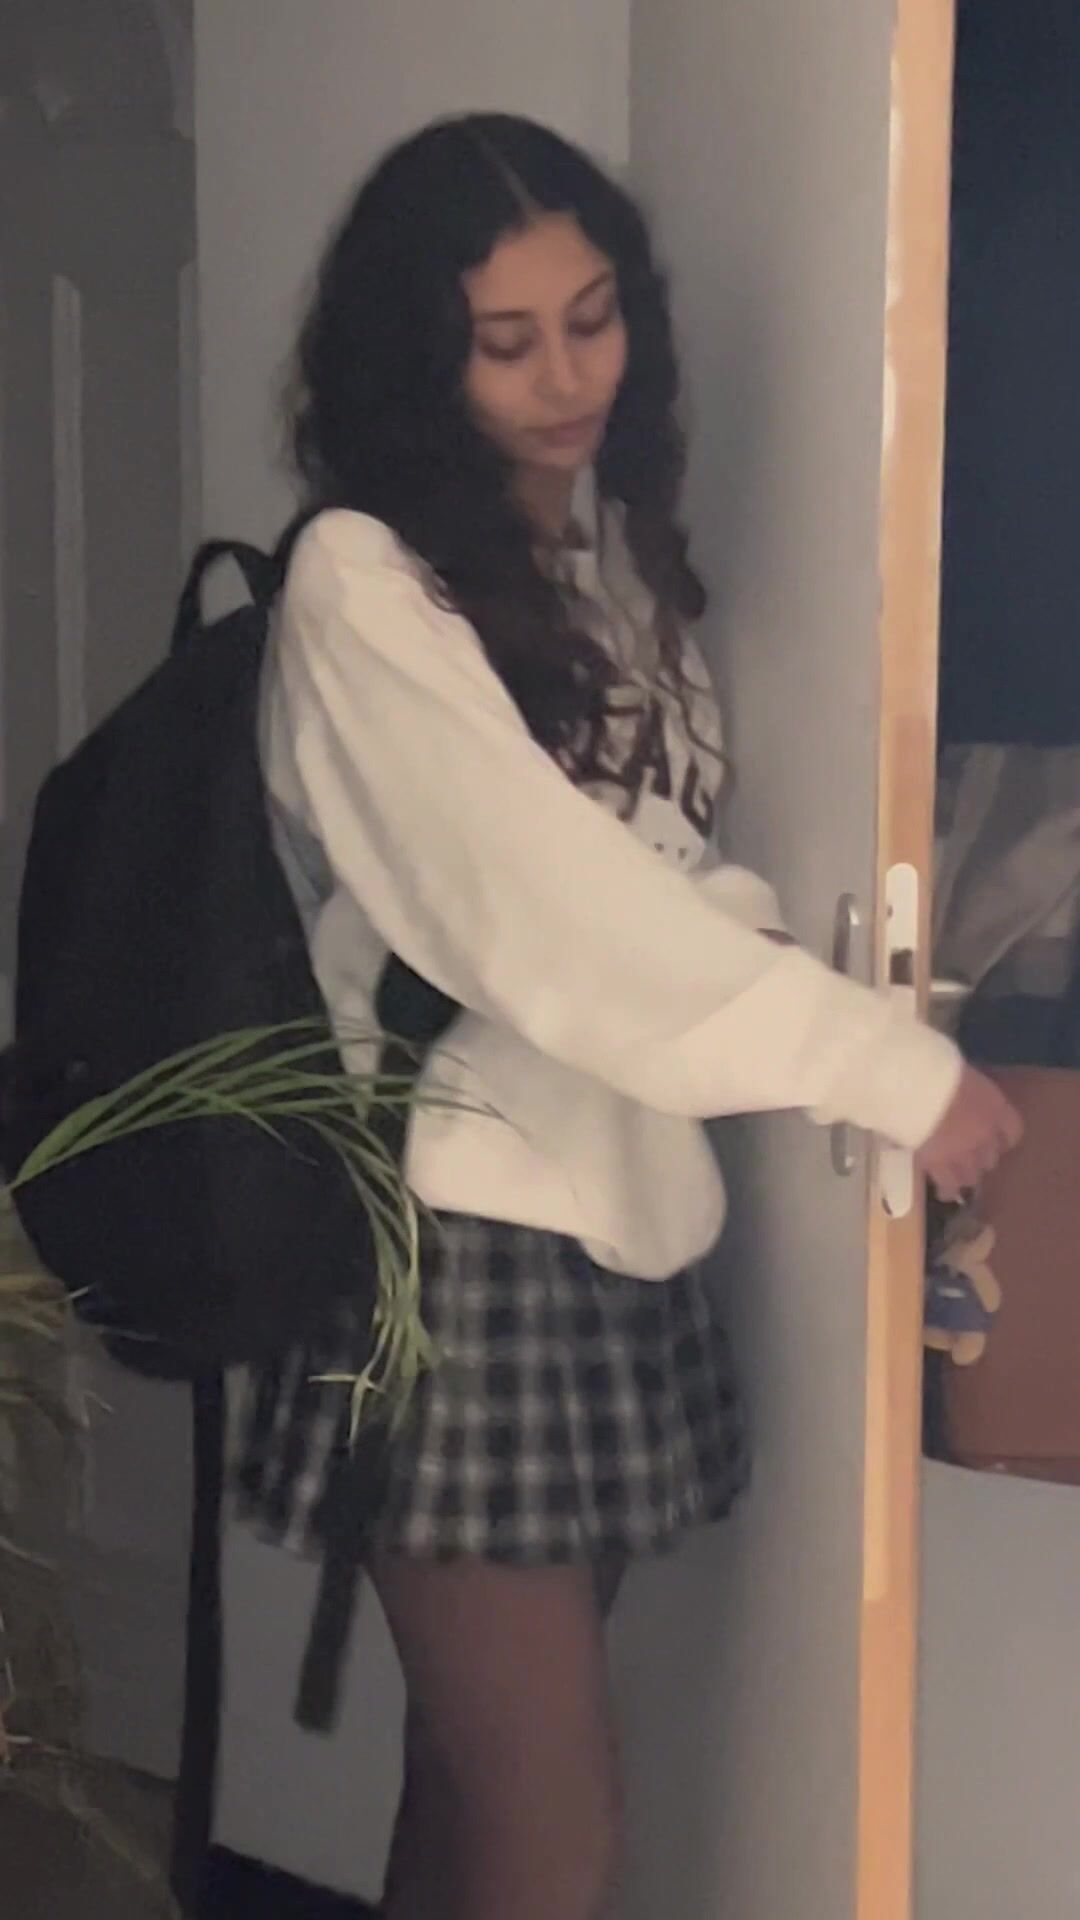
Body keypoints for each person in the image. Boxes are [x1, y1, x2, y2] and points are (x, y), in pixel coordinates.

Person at [238, 114, 1020, 1920]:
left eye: (592, 320)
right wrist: (880, 1066)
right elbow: (550, 923)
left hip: (601, 1223)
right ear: (417, 358)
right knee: (556, 1835)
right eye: (506, 342)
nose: (567, 377)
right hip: (448, 1246)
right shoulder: (363, 583)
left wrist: (787, 971)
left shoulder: (607, 564)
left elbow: (664, 880)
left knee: (476, 1801)